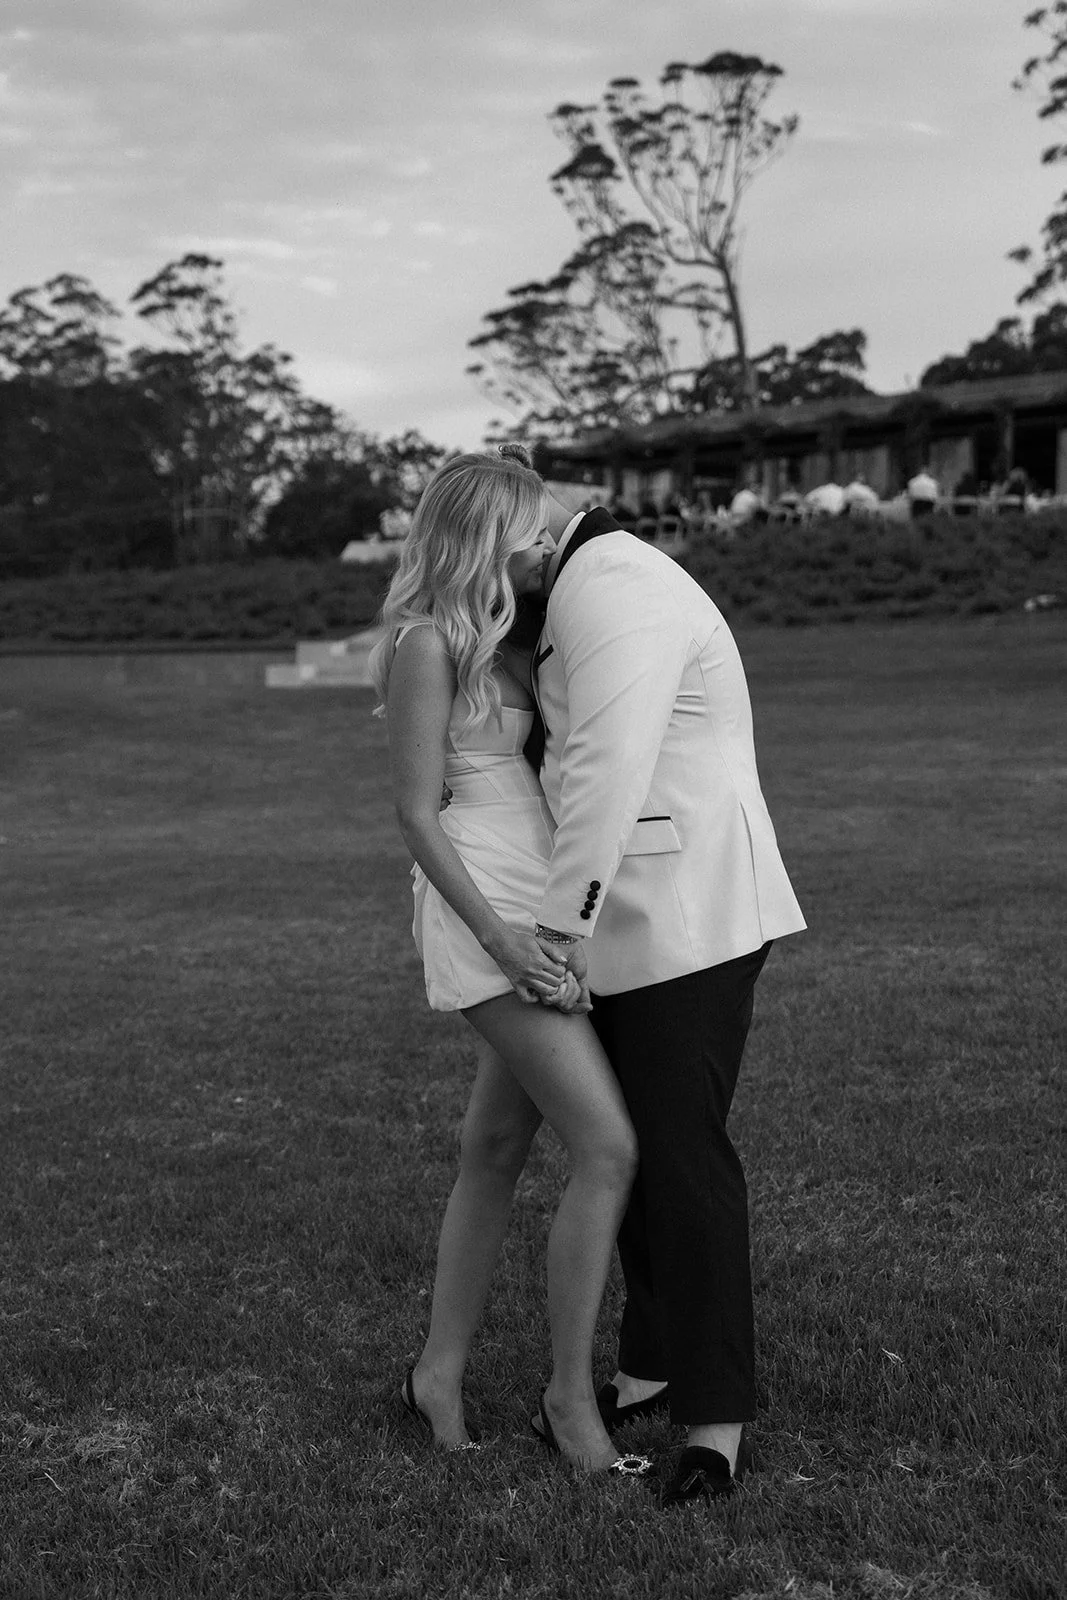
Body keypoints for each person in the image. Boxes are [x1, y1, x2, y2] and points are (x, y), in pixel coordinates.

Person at [370, 446, 650, 1478]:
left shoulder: (511, 637)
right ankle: (570, 1400)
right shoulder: (425, 645)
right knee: (607, 1146)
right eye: (528, 528)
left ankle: (435, 1374)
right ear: (484, 533)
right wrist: (501, 938)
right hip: (481, 899)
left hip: (535, 882)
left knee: (492, 1147)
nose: (542, 545)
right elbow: (415, 812)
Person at [526, 491, 807, 1506]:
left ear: (527, 533)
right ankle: (649, 1364)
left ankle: (715, 1422)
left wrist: (560, 926)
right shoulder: (582, 582)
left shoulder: (615, 582)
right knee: (635, 1150)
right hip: (635, 916)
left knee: (685, 1160)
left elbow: (608, 762)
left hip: (685, 914)